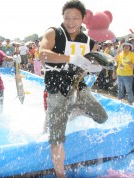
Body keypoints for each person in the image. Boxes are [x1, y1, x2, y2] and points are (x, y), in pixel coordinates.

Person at [39, 0, 108, 177]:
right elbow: (42, 54)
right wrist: (71, 58)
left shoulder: (89, 41)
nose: (70, 22)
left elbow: (95, 63)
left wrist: (96, 67)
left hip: (78, 85)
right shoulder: (54, 32)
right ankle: (60, 174)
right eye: (67, 17)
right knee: (56, 137)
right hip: (56, 87)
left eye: (75, 18)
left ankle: (75, 109)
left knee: (102, 117)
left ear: (83, 19)